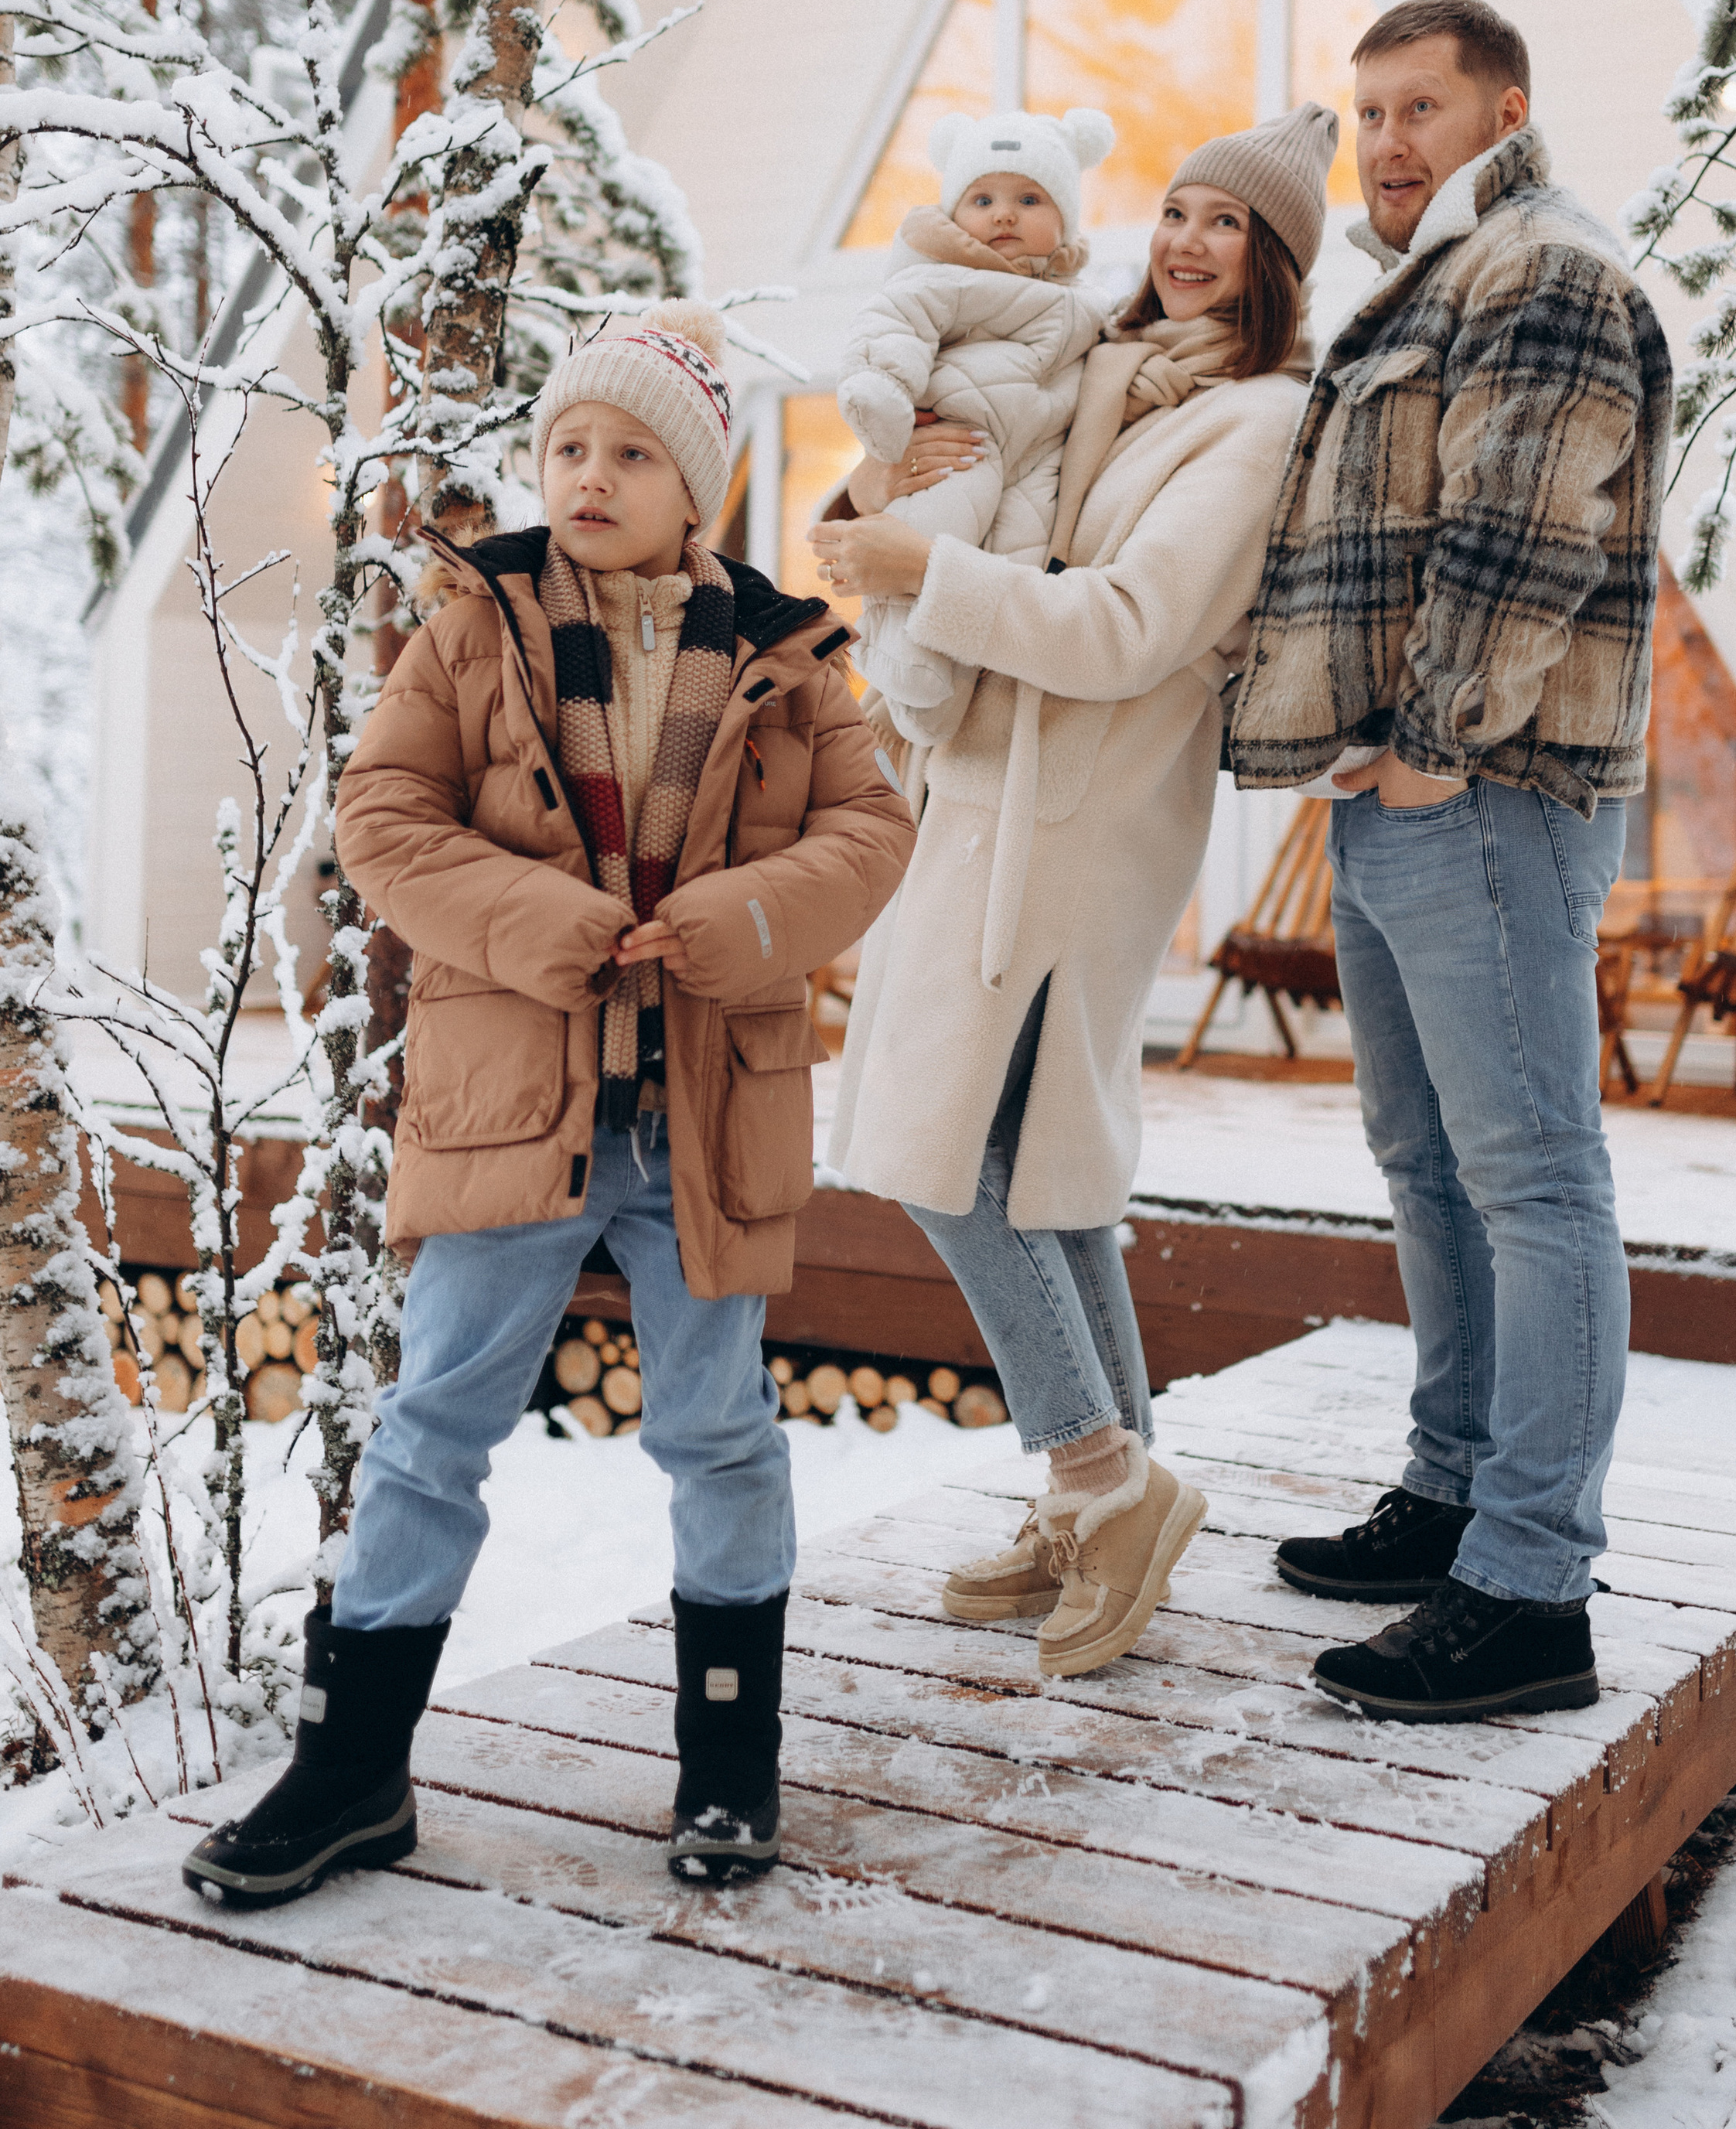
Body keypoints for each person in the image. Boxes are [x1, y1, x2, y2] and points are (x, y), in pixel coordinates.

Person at [182, 305, 913, 1911]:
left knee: (716, 1430)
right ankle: (351, 1768)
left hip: (705, 1110)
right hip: (516, 1096)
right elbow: (381, 815)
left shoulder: (790, 658)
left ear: (695, 489)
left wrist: (742, 922)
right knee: (434, 1422)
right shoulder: (474, 624)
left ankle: (729, 1755)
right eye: (571, 443)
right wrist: (539, 919)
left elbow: (869, 834)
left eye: (633, 451)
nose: (591, 474)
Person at [813, 104, 1334, 1680]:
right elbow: (956, 466)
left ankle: (1105, 1476)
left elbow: (1123, 625)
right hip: (975, 798)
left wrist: (923, 578)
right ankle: (1093, 1494)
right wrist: (888, 484)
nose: (1181, 243)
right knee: (1044, 1172)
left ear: (1272, 264)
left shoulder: (1255, 427)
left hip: (1083, 822)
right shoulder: (1095, 366)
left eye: (1222, 224)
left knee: (942, 1159)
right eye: (1171, 211)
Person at [1227, 0, 1672, 1725]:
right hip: (1398, 792)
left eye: (1421, 107)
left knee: (1530, 1178)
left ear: (1505, 104)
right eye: (1367, 115)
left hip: (1481, 786)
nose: (1388, 142)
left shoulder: (1542, 268)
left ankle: (1528, 1586)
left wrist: (1428, 744)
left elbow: (1519, 525)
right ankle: (1454, 1488)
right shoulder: (1428, 282)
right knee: (1422, 1160)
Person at [836, 106, 1110, 742]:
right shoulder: (944, 276)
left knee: (1016, 556)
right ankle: (902, 655)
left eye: (1030, 198)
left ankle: (944, 700)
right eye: (982, 197)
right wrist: (885, 391)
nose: (1004, 214)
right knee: (940, 525)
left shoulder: (1086, 301)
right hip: (963, 438)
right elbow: (894, 323)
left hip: (1041, 456)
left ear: (1065, 216)